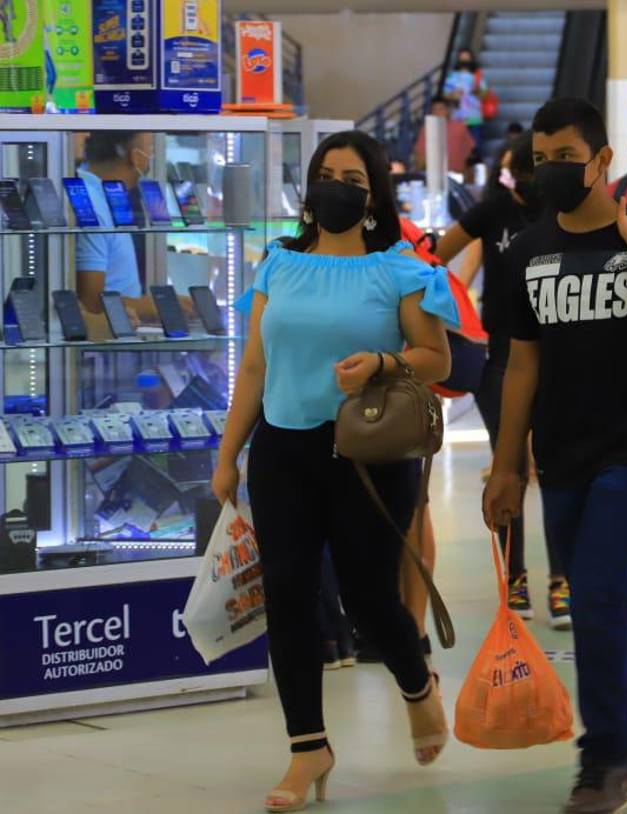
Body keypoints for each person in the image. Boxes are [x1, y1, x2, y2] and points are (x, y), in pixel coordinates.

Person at [211, 130, 458, 812]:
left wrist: (382, 364)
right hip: (283, 451)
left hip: (369, 453)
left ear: (373, 194)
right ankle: (306, 747)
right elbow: (255, 367)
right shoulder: (279, 264)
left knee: (371, 601)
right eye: (326, 173)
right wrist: (228, 452)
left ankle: (418, 685)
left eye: (352, 177)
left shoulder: (399, 268)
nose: (336, 186)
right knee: (288, 599)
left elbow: (436, 357)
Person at [483, 98, 627, 813]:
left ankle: (603, 758)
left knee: (598, 589)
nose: (552, 172)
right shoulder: (525, 251)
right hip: (561, 451)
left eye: (566, 159)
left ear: (604, 161)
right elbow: (520, 366)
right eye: (541, 161)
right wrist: (505, 464)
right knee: (603, 598)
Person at [434, 134, 573, 630]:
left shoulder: (565, 211)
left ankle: (563, 581)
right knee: (507, 468)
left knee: (555, 469)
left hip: (559, 359)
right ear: (505, 175)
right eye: (520, 172)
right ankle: (515, 577)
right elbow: (438, 256)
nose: (529, 182)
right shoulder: (491, 211)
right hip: (502, 357)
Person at [75, 131, 195, 321]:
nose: (151, 157)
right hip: (107, 340)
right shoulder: (92, 205)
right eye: (150, 150)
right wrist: (153, 306)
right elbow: (90, 302)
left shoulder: (109, 196)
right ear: (136, 157)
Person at [414, 96, 476, 174]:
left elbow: (470, 152)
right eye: (434, 110)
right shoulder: (426, 129)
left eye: (440, 109)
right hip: (434, 175)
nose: (437, 113)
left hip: (457, 174)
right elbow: (420, 154)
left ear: (447, 110)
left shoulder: (460, 128)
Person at [443, 48, 488, 147]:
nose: (465, 62)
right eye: (462, 59)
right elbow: (444, 95)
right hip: (457, 118)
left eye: (467, 59)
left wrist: (476, 89)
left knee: (474, 148)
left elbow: (484, 95)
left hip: (474, 119)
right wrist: (453, 95)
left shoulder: (477, 76)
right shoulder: (452, 77)